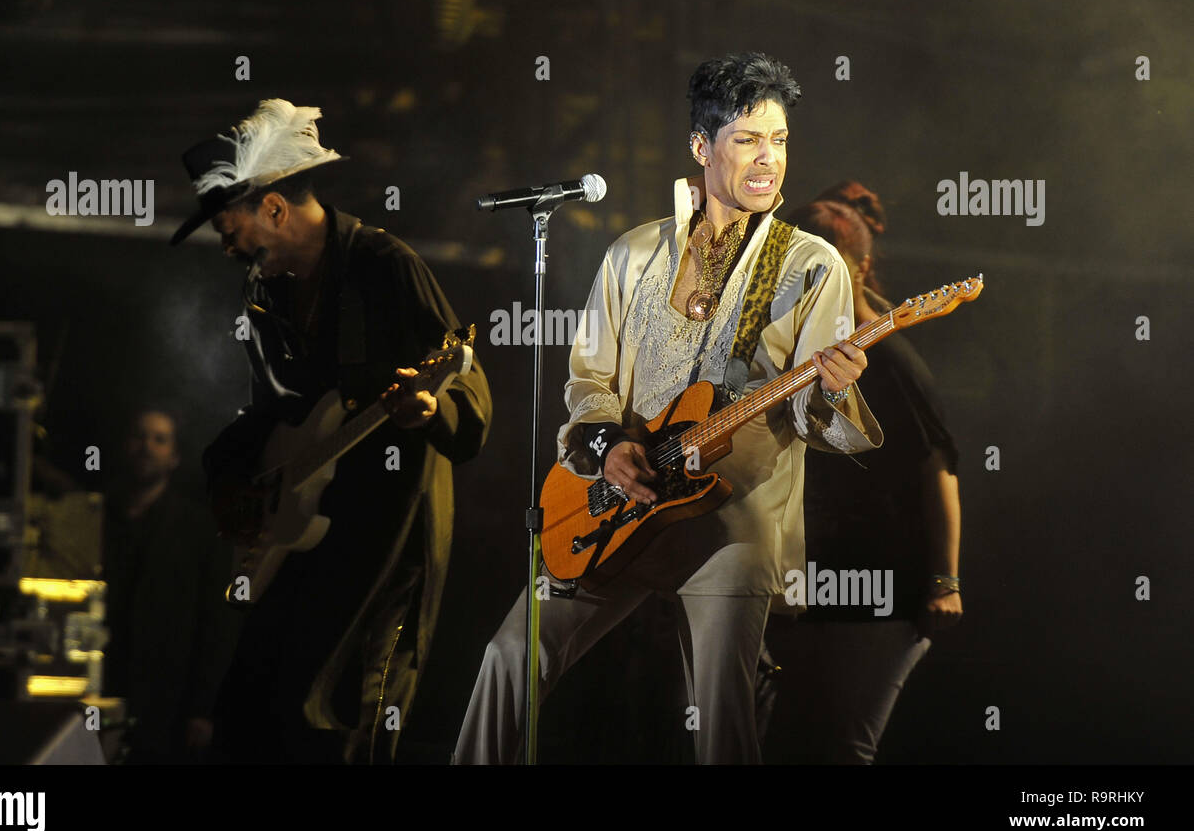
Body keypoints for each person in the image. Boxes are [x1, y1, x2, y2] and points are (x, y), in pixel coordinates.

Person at [454, 52, 882, 764]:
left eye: (777, 140)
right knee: (507, 655)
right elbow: (589, 380)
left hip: (732, 524)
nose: (766, 159)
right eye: (746, 139)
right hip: (618, 506)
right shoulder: (633, 253)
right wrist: (602, 448)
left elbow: (815, 415)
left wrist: (833, 385)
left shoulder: (812, 264)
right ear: (701, 147)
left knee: (721, 721)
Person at [170, 98, 492, 763]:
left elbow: (467, 389)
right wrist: (234, 476)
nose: (225, 244)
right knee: (249, 717)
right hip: (303, 540)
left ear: (275, 208)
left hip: (385, 542)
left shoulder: (384, 266)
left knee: (342, 722)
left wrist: (432, 408)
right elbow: (272, 414)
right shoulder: (267, 295)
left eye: (229, 227)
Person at [759, 185, 963, 764]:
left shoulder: (893, 360)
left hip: (886, 589)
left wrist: (945, 581)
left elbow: (939, 469)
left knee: (842, 746)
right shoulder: (789, 355)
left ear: (862, 269)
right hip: (809, 584)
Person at [102, 406, 243, 763]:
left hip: (167, 703)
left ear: (174, 457)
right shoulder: (94, 518)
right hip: (100, 689)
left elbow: (216, 622)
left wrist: (203, 708)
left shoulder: (199, 530)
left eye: (159, 439)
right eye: (140, 436)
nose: (147, 446)